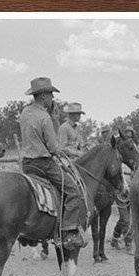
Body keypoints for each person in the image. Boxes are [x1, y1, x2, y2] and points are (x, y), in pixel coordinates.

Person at [18, 76, 88, 249]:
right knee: (73, 191)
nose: (53, 99)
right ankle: (68, 232)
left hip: (27, 163)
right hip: (44, 164)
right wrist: (68, 152)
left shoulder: (25, 113)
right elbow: (53, 147)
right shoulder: (44, 117)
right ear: (43, 96)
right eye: (51, 95)